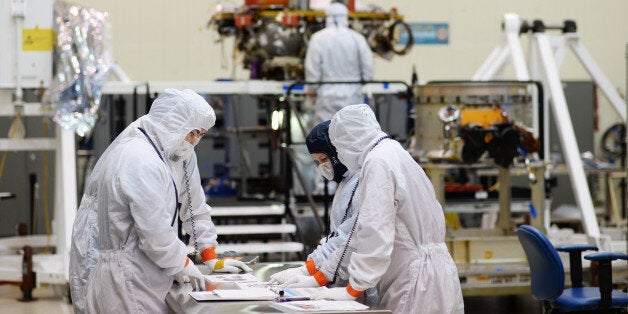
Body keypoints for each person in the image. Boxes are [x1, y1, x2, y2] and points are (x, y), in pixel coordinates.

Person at [69, 89, 252, 314]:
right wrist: (183, 263)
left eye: (201, 135)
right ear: (174, 124)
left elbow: (194, 204)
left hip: (149, 272)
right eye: (193, 133)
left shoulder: (178, 151)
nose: (195, 141)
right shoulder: (140, 157)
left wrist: (209, 254)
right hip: (126, 279)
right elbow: (154, 233)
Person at [313, 104, 464, 313]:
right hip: (434, 273)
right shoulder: (392, 151)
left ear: (348, 141)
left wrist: (354, 288)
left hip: (414, 281)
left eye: (338, 148)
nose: (339, 155)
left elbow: (374, 230)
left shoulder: (377, 163)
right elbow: (359, 232)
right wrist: (323, 273)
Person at [304, 1, 374, 126]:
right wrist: (359, 83)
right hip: (352, 95)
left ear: (328, 16)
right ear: (346, 16)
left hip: (326, 95)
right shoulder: (357, 38)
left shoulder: (318, 38)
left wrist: (311, 91)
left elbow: (312, 70)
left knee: (326, 135)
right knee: (352, 134)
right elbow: (368, 69)